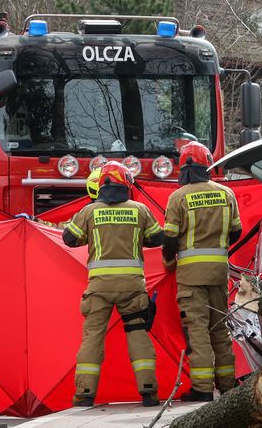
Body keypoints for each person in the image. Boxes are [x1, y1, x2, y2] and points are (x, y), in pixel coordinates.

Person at [63, 161, 164, 408]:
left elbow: (69, 239)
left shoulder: (89, 211)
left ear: (103, 183)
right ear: (125, 184)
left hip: (99, 289)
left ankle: (85, 394)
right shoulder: (139, 209)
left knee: (93, 337)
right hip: (132, 288)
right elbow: (157, 238)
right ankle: (148, 391)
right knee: (138, 334)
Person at [163, 142, 243, 402]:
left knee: (197, 330)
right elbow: (236, 232)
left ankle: (202, 388)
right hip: (219, 274)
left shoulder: (178, 197)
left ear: (184, 165)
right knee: (220, 329)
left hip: (190, 277)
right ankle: (229, 385)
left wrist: (167, 261)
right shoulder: (226, 193)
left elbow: (170, 240)